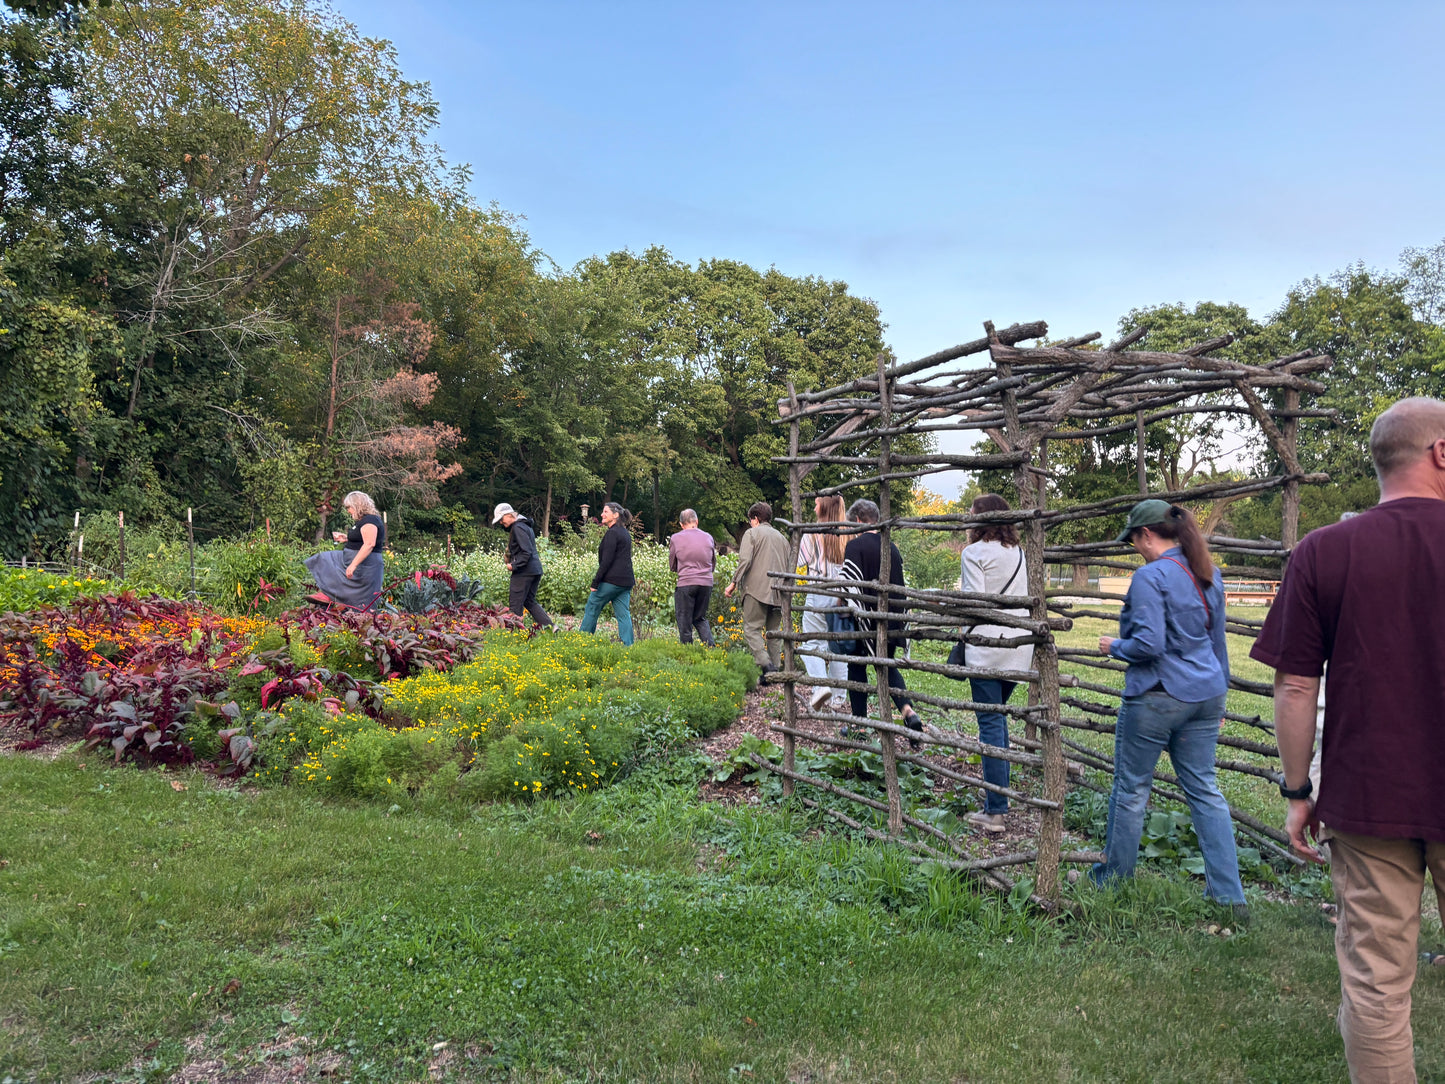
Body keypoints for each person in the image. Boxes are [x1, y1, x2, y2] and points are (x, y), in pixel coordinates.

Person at [1250, 397, 1445, 1084]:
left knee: (1375, 981)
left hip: (1367, 798)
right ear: (1439, 453)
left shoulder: (1323, 551)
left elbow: (1295, 688)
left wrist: (1297, 790)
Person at [1090, 498, 1246, 911]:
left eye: (1134, 540)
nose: (1135, 548)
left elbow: (1148, 645)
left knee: (1131, 789)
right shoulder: (1208, 574)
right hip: (1206, 696)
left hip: (1158, 696)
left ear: (1146, 535)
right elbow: (1218, 645)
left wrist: (1113, 646)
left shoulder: (1150, 577)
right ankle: (1229, 897)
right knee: (1205, 790)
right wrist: (1222, 701)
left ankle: (1112, 882)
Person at [953, 493, 1034, 834]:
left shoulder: (973, 553)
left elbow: (976, 602)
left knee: (989, 725)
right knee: (997, 720)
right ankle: (999, 798)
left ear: (982, 519)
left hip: (987, 647)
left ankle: (996, 810)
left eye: (972, 515)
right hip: (1017, 649)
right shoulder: (1019, 552)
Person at [838, 498, 924, 738]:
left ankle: (859, 725)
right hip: (891, 618)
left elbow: (849, 586)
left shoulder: (855, 546)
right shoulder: (891, 547)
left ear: (857, 520)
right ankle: (908, 711)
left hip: (864, 619)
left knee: (856, 667)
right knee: (885, 666)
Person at [723, 501, 790, 674]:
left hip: (756, 590)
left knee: (752, 628)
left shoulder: (751, 534)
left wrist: (733, 582)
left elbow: (745, 560)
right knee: (773, 633)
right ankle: (773, 673)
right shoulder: (782, 539)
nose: (750, 523)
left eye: (751, 519)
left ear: (756, 518)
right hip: (779, 592)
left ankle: (765, 664)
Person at [798, 494, 849, 712]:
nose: (814, 505)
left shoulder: (813, 534)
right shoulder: (848, 533)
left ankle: (820, 686)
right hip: (841, 595)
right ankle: (838, 697)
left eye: (817, 502)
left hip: (818, 590)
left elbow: (799, 560)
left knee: (811, 641)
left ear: (824, 507)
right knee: (838, 646)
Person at [305, 491, 386, 608]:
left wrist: (353, 565)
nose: (348, 510)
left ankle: (360, 618)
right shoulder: (363, 521)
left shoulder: (370, 521)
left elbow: (369, 544)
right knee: (325, 560)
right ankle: (327, 595)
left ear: (358, 505)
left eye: (349, 507)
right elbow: (361, 540)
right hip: (353, 560)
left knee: (362, 601)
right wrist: (347, 538)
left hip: (366, 566)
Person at [580, 502, 635, 646]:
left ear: (615, 515)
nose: (602, 515)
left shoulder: (612, 533)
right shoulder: (625, 533)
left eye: (605, 512)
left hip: (611, 581)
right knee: (623, 614)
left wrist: (595, 582)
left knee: (592, 606)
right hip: (626, 582)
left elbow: (606, 561)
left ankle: (582, 641)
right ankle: (628, 646)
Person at [492, 502, 553, 629]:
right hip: (535, 570)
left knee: (515, 604)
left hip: (524, 572)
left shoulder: (518, 527)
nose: (501, 523)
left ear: (509, 515)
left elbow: (526, 552)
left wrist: (514, 565)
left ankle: (514, 634)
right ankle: (551, 628)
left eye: (501, 519)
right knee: (529, 601)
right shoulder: (525, 525)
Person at [668, 508, 716, 646]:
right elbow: (713, 563)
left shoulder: (676, 538)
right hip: (706, 583)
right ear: (697, 521)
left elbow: (673, 564)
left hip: (686, 582)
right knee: (700, 618)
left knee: (684, 619)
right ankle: (711, 648)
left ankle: (688, 651)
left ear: (681, 524)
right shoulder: (708, 537)